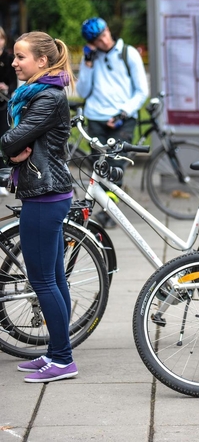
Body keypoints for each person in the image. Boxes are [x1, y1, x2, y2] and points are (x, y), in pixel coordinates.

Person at [0, 32, 77, 382]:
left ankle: (62, 360)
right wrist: (13, 148)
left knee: (43, 280)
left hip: (46, 195)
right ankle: (57, 353)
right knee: (54, 279)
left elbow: (10, 139)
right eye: (14, 56)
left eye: (20, 56)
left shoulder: (46, 97)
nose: (14, 62)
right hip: (44, 191)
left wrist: (10, 148)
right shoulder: (37, 94)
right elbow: (16, 142)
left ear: (42, 61)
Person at [75, 17, 148, 227]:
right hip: (96, 117)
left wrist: (123, 113)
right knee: (100, 166)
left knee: (115, 164)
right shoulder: (91, 58)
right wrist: (88, 63)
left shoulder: (128, 53)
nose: (104, 41)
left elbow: (141, 90)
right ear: (91, 43)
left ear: (108, 30)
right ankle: (107, 207)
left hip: (122, 120)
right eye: (98, 40)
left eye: (104, 35)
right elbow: (82, 91)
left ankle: (110, 212)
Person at [0, 27, 17, 196]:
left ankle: (4, 178)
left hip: (4, 105)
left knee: (4, 140)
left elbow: (13, 83)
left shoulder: (10, 59)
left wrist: (6, 88)